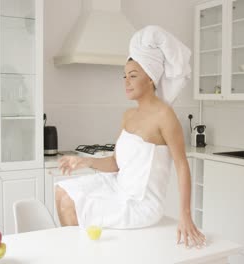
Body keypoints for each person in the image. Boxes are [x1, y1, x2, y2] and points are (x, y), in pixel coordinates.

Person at [55, 25, 206, 248]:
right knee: (62, 190)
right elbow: (115, 163)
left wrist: (185, 215)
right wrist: (84, 161)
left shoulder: (165, 116)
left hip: (141, 203)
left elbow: (182, 166)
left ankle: (79, 254)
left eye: (133, 76)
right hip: (119, 187)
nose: (126, 82)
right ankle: (79, 253)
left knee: (70, 202)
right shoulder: (128, 116)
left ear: (151, 79)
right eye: (124, 76)